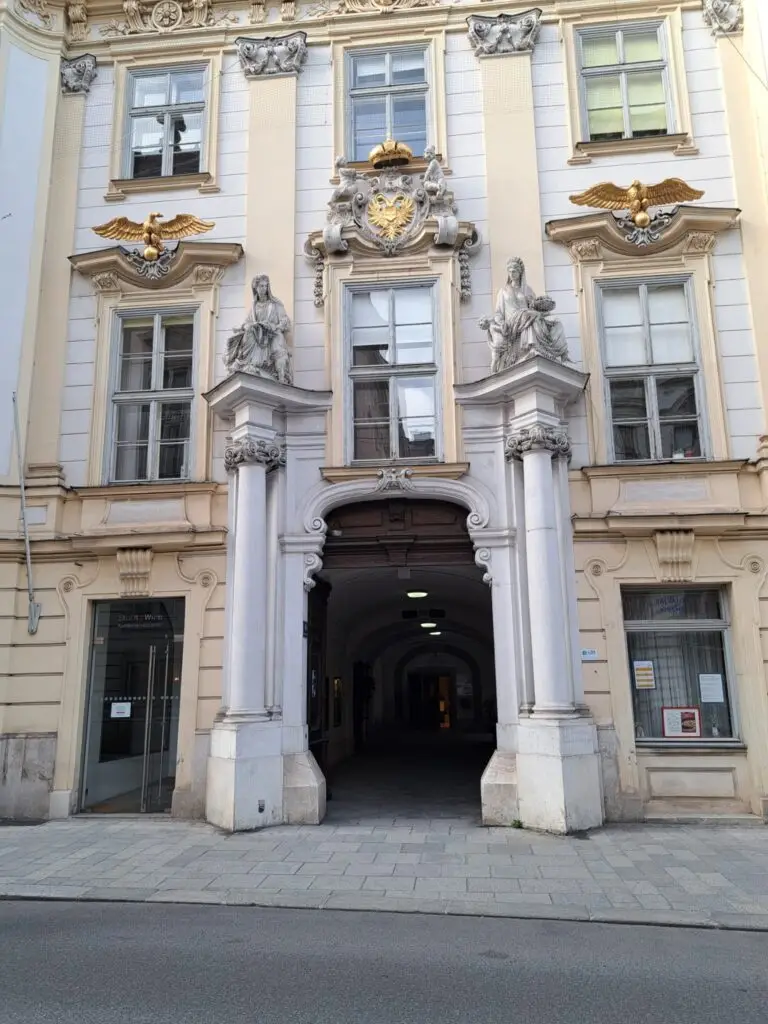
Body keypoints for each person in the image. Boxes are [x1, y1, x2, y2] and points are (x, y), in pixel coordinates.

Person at [479, 257, 568, 372]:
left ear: (520, 272)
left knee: (551, 321)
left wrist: (539, 304)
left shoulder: (527, 290)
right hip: (511, 322)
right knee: (531, 315)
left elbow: (534, 306)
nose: (512, 273)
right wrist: (501, 323)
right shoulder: (503, 291)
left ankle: (537, 347)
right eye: (510, 270)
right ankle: (531, 345)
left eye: (515, 270)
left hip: (526, 317)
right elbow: (498, 313)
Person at [225, 275, 293, 384]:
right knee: (249, 330)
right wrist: (243, 327)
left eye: (265, 286)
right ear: (255, 288)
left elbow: (285, 321)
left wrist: (274, 327)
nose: (264, 289)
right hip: (257, 334)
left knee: (277, 347)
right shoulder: (254, 306)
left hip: (272, 334)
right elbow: (248, 322)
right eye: (261, 286)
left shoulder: (275, 304)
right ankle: (247, 363)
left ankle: (280, 375)